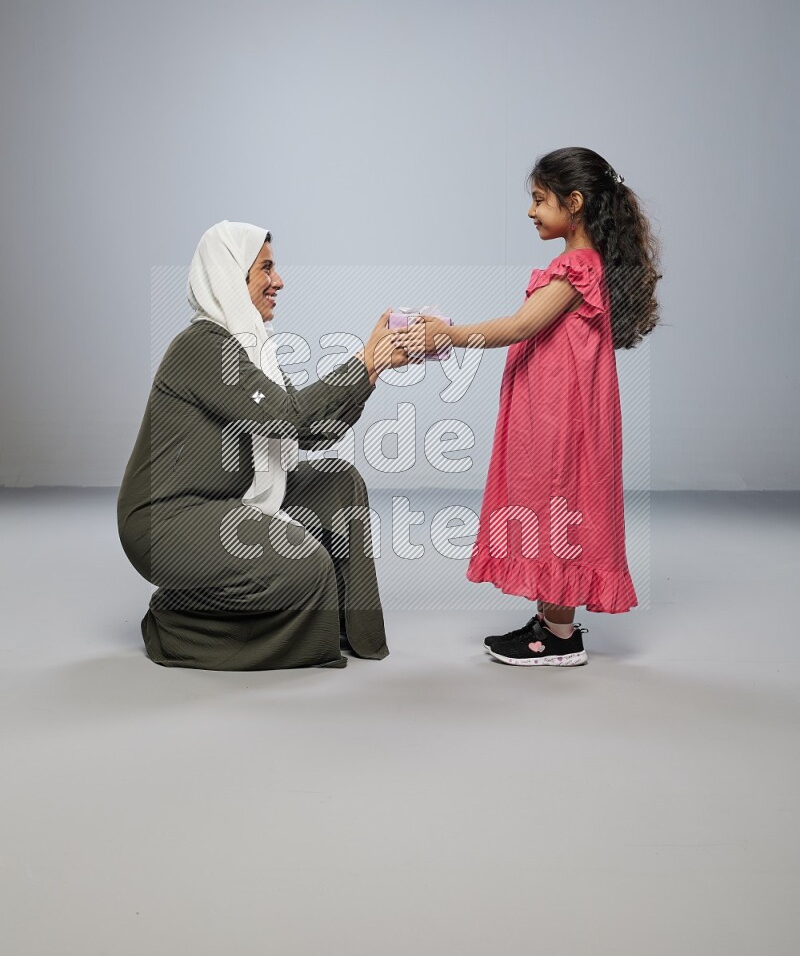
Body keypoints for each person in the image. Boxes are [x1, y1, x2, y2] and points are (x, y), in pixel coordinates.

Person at [394, 147, 661, 667]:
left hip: (562, 413)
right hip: (553, 405)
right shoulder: (582, 265)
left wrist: (446, 335)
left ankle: (560, 637)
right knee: (549, 499)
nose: (532, 211)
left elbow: (519, 327)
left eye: (540, 200)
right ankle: (550, 621)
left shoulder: (576, 268)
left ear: (575, 202)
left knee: (558, 498)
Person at [117, 220, 410, 671]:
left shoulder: (254, 351)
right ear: (232, 276)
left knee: (339, 482)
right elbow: (288, 415)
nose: (279, 281)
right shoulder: (202, 347)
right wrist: (362, 359)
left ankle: (354, 632)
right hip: (166, 521)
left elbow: (313, 430)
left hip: (220, 501)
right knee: (306, 565)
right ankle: (174, 623)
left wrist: (373, 370)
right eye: (266, 269)